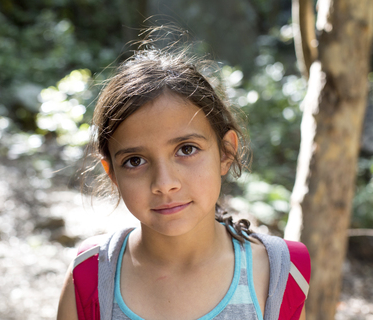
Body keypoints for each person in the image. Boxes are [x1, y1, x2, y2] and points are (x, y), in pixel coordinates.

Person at [57, 33, 307, 320]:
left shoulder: (279, 276)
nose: (164, 183)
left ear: (226, 152)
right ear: (112, 174)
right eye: (134, 161)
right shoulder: (90, 276)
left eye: (186, 150)